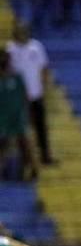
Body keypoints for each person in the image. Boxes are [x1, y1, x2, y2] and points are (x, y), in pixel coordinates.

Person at [6, 20, 52, 166]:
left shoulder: (36, 47)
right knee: (19, 129)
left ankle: (45, 156)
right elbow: (6, 72)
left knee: (40, 126)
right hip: (17, 97)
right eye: (19, 31)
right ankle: (23, 159)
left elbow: (44, 68)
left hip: (35, 93)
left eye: (24, 30)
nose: (22, 34)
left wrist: (44, 89)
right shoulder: (10, 49)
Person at [0, 52, 35, 181]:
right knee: (3, 144)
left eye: (5, 59)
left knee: (24, 144)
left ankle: (31, 169)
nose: (3, 61)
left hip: (17, 116)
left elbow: (25, 97)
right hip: (2, 117)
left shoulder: (17, 77)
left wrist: (27, 114)